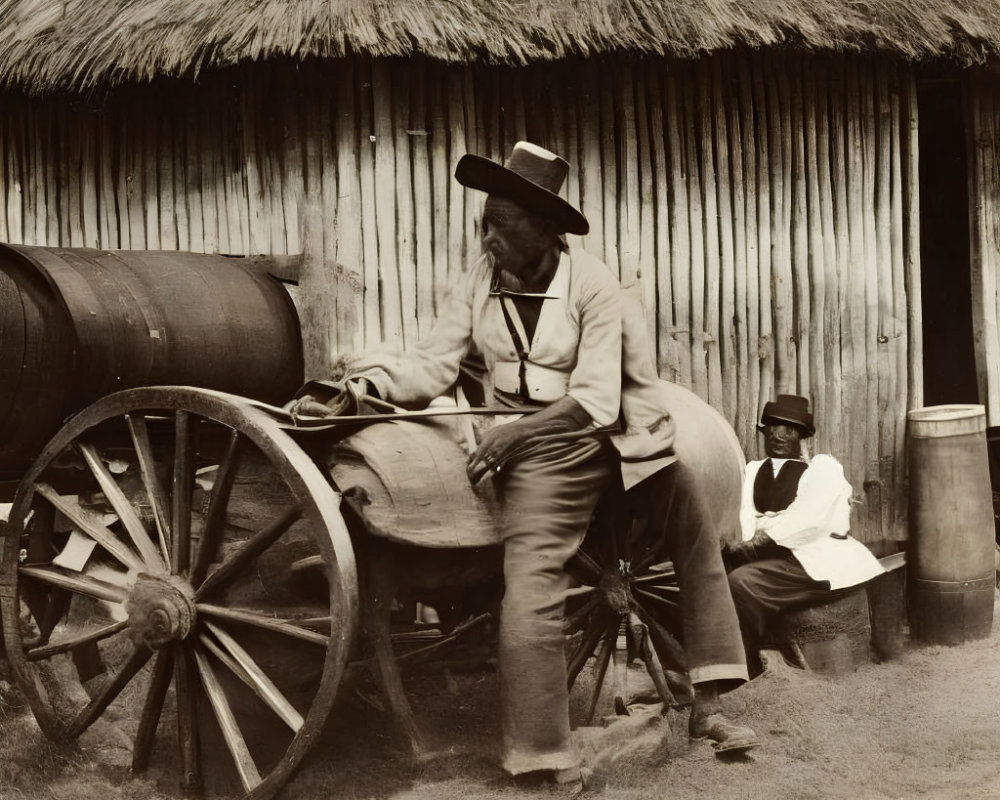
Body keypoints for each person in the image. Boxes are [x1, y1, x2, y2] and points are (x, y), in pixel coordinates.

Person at [313, 142, 759, 787]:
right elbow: (436, 365)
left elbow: (598, 400)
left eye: (503, 223)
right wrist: (368, 386)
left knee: (688, 515)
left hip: (609, 429)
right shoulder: (476, 281)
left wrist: (511, 438)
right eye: (484, 221)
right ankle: (541, 752)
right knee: (533, 579)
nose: (487, 235)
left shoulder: (596, 288)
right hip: (547, 454)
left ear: (544, 229)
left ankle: (709, 704)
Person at [725, 394, 885, 661]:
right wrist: (737, 542)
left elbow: (809, 521)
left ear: (801, 437)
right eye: (773, 428)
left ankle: (746, 662)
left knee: (741, 584)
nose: (778, 435)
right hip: (776, 557)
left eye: (788, 430)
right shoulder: (752, 470)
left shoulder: (822, 470)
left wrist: (754, 543)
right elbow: (744, 516)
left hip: (817, 561)